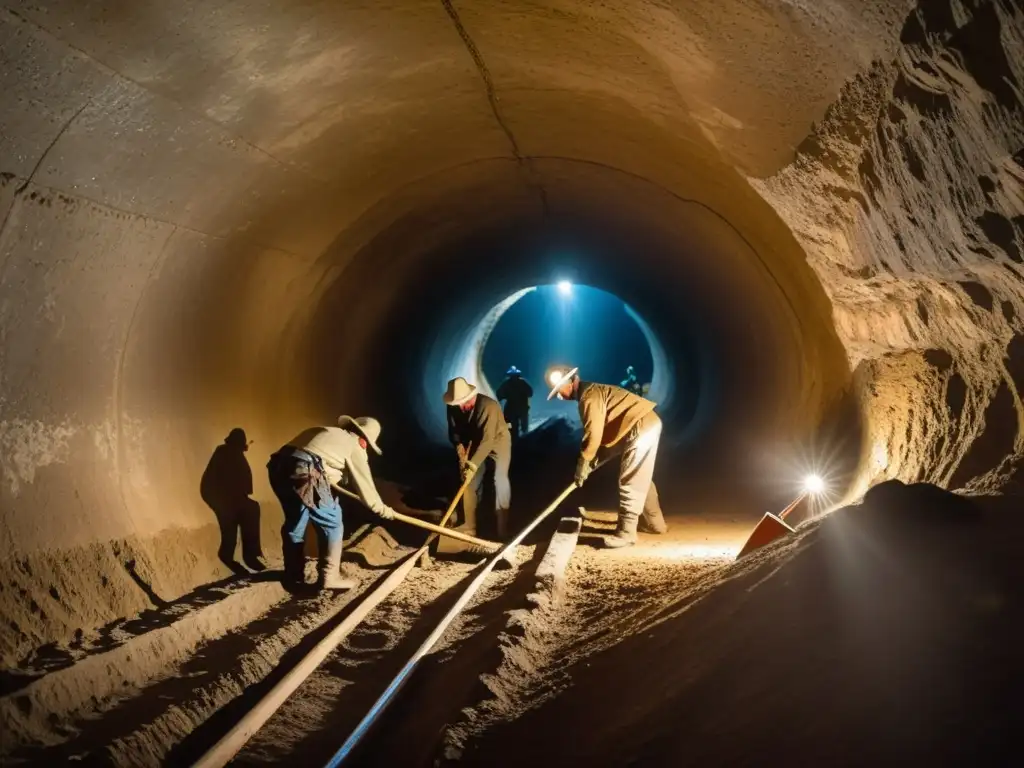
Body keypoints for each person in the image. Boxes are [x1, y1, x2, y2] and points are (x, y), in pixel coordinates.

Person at [267, 416, 395, 590]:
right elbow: (366, 489)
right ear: (364, 441)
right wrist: (384, 511)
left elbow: (327, 469)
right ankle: (330, 577)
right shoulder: (354, 445)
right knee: (332, 522)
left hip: (278, 466)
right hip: (306, 468)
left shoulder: (328, 433)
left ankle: (293, 573)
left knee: (296, 520)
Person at [548, 367, 668, 548]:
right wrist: (596, 458)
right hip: (641, 423)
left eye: (560, 389)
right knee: (641, 476)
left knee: (630, 478)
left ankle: (627, 533)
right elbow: (610, 433)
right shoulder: (591, 392)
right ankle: (655, 523)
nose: (560, 395)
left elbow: (593, 434)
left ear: (573, 381)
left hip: (640, 425)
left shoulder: (588, 397)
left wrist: (583, 461)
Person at [443, 377, 512, 538]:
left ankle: (503, 528)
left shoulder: (489, 407)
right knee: (469, 482)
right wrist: (463, 460)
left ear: (471, 396)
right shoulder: (453, 405)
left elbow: (487, 441)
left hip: (497, 440)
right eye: (456, 403)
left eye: (463, 402)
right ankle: (469, 525)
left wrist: (472, 464)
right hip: (474, 440)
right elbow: (454, 434)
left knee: (499, 479)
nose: (460, 406)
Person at [200, 428, 266, 574]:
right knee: (234, 527)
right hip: (224, 500)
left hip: (229, 500)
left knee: (251, 510)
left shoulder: (230, 453)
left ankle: (249, 555)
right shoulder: (226, 453)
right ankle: (243, 556)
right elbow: (225, 480)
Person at [496, 365, 533, 440]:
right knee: (515, 429)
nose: (514, 377)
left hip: (518, 409)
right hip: (515, 409)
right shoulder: (509, 384)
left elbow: (530, 393)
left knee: (521, 428)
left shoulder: (518, 383)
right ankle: (518, 441)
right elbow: (499, 394)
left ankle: (521, 440)